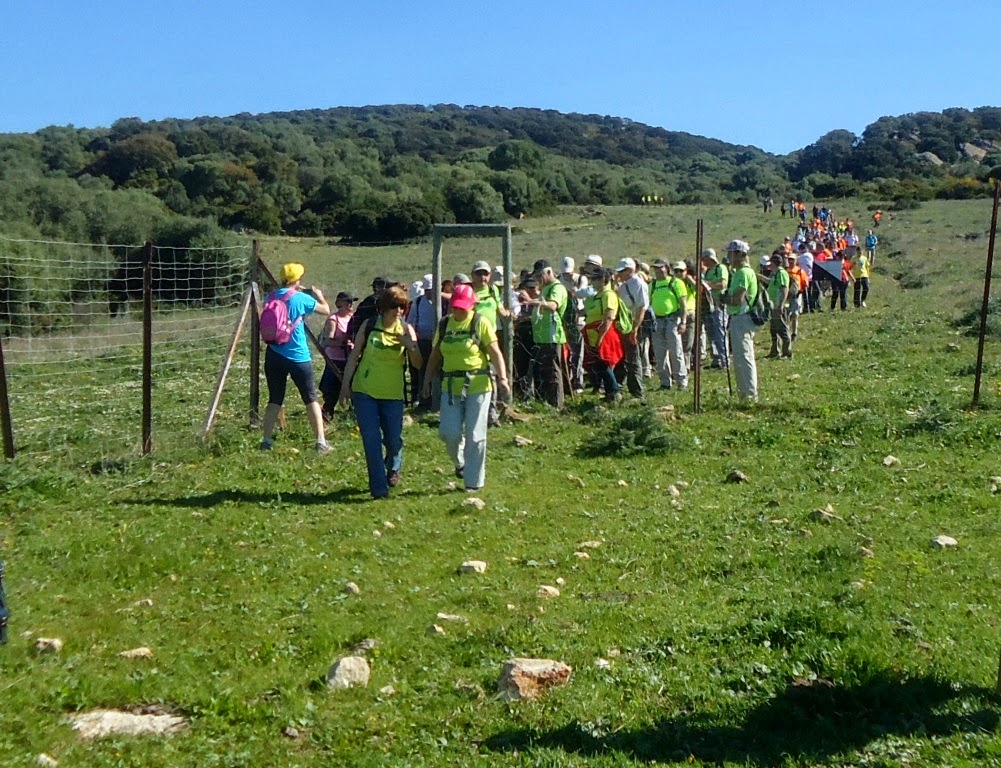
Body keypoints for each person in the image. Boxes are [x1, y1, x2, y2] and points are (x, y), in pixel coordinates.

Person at [421, 284, 511, 492]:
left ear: (472, 306)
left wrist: (503, 378)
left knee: (476, 435)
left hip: (478, 386)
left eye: (463, 307)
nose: (458, 311)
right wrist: (427, 381)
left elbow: (495, 353)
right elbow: (435, 355)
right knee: (448, 432)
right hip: (450, 386)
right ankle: (460, 463)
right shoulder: (445, 325)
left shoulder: (481, 323)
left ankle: (473, 483)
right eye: (455, 307)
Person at [337, 285, 422, 499]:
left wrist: (410, 346)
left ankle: (393, 466)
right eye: (394, 306)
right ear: (384, 307)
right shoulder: (369, 325)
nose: (398, 311)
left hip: (393, 394)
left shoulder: (406, 330)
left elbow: (419, 364)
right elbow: (354, 355)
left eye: (402, 306)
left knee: (393, 439)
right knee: (371, 439)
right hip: (364, 390)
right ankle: (378, 488)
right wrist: (345, 386)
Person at [260, 262, 331, 453]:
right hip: (298, 355)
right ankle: (320, 442)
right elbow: (326, 311)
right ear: (297, 280)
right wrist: (318, 295)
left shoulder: (270, 297)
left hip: (274, 354)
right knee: (310, 398)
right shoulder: (301, 298)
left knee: (275, 398)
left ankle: (266, 440)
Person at [525, 264, 568, 409]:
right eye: (535, 276)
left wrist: (534, 301)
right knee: (544, 371)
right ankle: (545, 400)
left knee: (553, 371)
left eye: (539, 275)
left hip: (552, 336)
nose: (537, 279)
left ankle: (557, 404)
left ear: (549, 271)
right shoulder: (545, 289)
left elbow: (552, 305)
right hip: (541, 336)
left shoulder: (557, 288)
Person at [724, 241, 759, 402]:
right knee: (741, 356)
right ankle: (745, 393)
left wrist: (723, 298)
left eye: (731, 253)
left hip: (741, 318)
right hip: (739, 318)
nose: (728, 257)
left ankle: (749, 395)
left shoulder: (743, 273)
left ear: (739, 254)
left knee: (744, 357)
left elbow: (738, 298)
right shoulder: (741, 272)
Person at [582, 268, 623, 402]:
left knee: (604, 362)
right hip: (594, 334)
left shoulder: (608, 295)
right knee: (599, 364)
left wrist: (601, 337)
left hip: (605, 333)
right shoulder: (597, 296)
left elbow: (609, 317)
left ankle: (614, 391)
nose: (592, 282)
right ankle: (608, 392)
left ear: (602, 280)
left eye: (594, 279)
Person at [648, 259, 688, 390]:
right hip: (657, 321)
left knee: (676, 351)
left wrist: (683, 321)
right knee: (660, 354)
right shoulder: (652, 285)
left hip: (672, 320)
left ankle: (682, 381)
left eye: (661, 267)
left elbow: (683, 304)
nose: (658, 271)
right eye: (656, 268)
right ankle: (665, 382)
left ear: (667, 268)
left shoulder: (676, 283)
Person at [614, 257, 649, 400]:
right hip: (625, 325)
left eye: (622, 271)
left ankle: (638, 392)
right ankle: (619, 388)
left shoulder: (637, 283)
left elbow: (641, 307)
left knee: (633, 359)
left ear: (630, 270)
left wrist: (634, 329)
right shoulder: (625, 285)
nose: (619, 274)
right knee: (623, 358)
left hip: (634, 325)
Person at [318, 291, 356, 418]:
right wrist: (343, 343)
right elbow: (327, 340)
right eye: (348, 302)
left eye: (351, 302)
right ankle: (327, 414)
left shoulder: (354, 318)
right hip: (335, 359)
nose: (351, 305)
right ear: (340, 304)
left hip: (350, 358)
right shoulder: (333, 320)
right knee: (332, 391)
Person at [406, 275, 437, 410]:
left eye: (431, 289)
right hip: (422, 342)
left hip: (436, 342)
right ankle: (423, 399)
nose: (429, 292)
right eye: (427, 290)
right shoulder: (418, 302)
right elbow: (410, 322)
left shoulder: (441, 302)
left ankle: (435, 398)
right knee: (422, 371)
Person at [558, 257, 588, 393]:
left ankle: (577, 381)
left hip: (578, 321)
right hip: (564, 320)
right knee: (566, 352)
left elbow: (582, 295)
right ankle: (567, 380)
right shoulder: (559, 280)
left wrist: (574, 293)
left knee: (578, 353)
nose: (567, 275)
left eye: (568, 273)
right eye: (565, 273)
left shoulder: (581, 279)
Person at [701, 248, 728, 368]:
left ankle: (724, 360)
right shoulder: (708, 271)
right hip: (709, 305)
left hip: (719, 305)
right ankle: (716, 359)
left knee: (720, 332)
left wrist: (707, 284)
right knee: (711, 333)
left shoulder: (720, 268)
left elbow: (722, 285)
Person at [763, 252, 792, 359]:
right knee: (774, 330)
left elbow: (785, 289)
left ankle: (787, 352)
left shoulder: (782, 273)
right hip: (773, 306)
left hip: (778, 306)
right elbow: (772, 283)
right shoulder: (775, 274)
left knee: (782, 329)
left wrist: (781, 305)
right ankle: (775, 351)